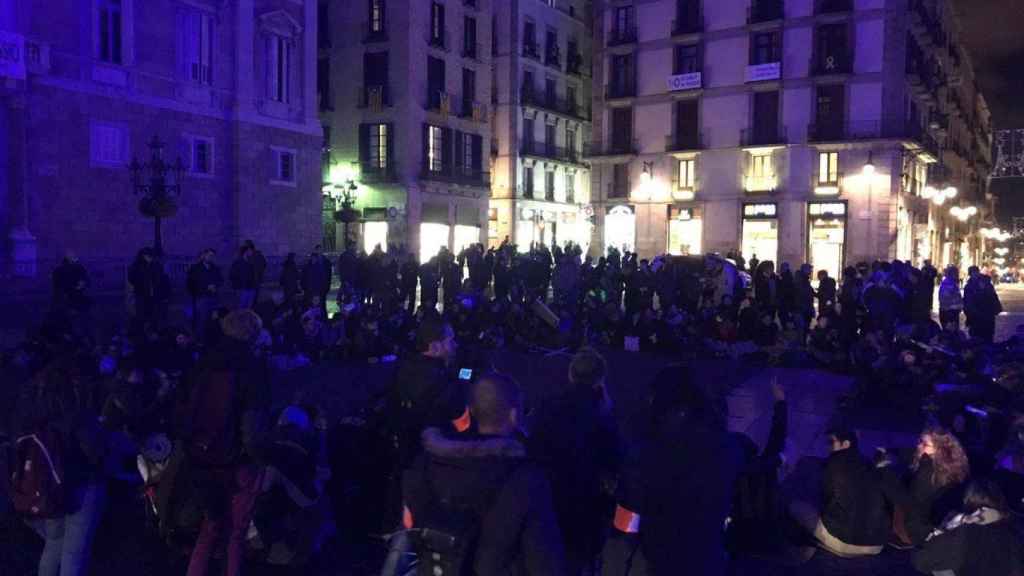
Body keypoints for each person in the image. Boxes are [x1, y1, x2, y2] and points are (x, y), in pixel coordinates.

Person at [398, 373, 567, 576]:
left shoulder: (427, 464)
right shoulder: (527, 480)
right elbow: (543, 561)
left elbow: (410, 528)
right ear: (513, 416)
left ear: (470, 411)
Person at [603, 365, 742, 576]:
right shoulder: (727, 446)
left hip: (664, 559)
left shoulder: (649, 454)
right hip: (710, 555)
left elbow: (626, 523)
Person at [184, 309, 270, 576]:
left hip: (203, 454)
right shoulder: (252, 367)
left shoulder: (203, 362)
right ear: (253, 334)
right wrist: (259, 456)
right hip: (238, 461)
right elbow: (252, 428)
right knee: (236, 531)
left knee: (209, 528)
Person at [526, 348, 620, 574]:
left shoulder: (546, 405)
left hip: (544, 498)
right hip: (582, 505)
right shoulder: (601, 416)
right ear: (600, 380)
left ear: (571, 374)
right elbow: (614, 460)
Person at [17, 354, 110, 576]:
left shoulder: (35, 412)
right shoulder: (75, 413)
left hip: (49, 488)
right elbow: (94, 452)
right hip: (81, 486)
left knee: (53, 545)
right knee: (73, 555)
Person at [790, 425, 890, 558]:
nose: (828, 447)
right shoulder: (868, 464)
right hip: (878, 544)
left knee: (795, 506)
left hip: (847, 543)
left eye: (831, 442)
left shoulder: (834, 464)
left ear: (846, 444)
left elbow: (824, 500)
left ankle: (802, 553)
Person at [912, 479, 1024, 576]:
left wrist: (944, 530)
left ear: (968, 500)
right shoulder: (1014, 534)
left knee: (940, 567)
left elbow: (921, 560)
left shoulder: (966, 532)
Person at [890, 426, 971, 547]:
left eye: (925, 444)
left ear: (940, 450)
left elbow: (913, 502)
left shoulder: (928, 470)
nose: (919, 446)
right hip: (939, 528)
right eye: (920, 442)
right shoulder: (955, 469)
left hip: (916, 530)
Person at [187, 249, 222, 339]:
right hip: (201, 297)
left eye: (212, 256)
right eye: (209, 255)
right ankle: (199, 340)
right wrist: (205, 287)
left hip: (213, 297)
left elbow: (220, 280)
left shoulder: (215, 268)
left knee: (212, 318)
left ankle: (209, 338)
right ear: (204, 255)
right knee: (200, 320)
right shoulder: (195, 268)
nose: (210, 257)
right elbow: (191, 283)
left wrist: (215, 285)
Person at [963, 267, 1002, 344]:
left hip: (982, 316)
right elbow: (967, 302)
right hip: (980, 316)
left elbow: (993, 297)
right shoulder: (971, 285)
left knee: (981, 339)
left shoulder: (972, 285)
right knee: (982, 339)